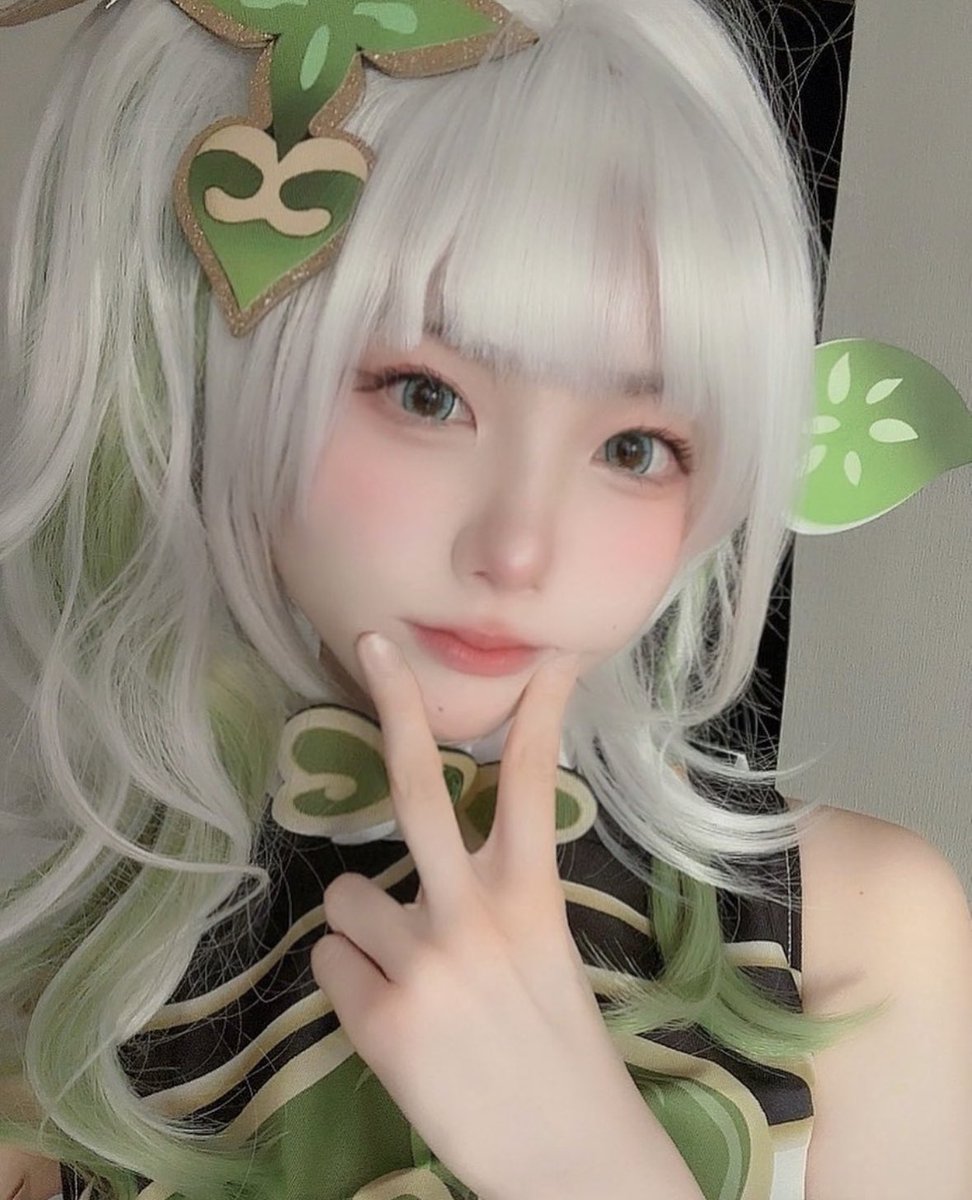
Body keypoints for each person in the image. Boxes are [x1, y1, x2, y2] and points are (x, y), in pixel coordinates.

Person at [0, 0, 970, 1197]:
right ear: (221, 362)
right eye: (425, 394)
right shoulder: (59, 973)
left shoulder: (865, 928)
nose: (519, 549)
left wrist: (583, 1164)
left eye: (635, 447)